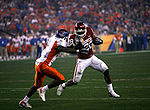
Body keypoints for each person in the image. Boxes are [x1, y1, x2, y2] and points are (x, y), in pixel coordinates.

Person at [57, 21, 120, 98]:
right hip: (82, 60)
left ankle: (111, 91)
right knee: (75, 81)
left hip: (91, 57)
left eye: (82, 32)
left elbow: (93, 38)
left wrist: (96, 40)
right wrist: (77, 50)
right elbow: (67, 49)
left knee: (105, 69)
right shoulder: (72, 37)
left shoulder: (89, 30)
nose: (80, 34)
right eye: (78, 32)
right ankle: (63, 85)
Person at [19, 29, 78, 108]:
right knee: (61, 79)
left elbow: (61, 47)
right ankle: (43, 89)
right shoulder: (60, 41)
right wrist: (76, 51)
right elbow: (62, 48)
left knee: (37, 85)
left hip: (38, 63)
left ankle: (24, 101)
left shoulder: (53, 37)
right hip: (43, 65)